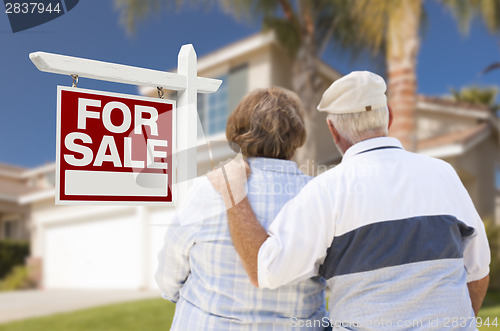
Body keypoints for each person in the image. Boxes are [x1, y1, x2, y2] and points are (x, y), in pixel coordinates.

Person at [209, 71, 491, 330]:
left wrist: (234, 194)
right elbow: (477, 274)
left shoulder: (326, 191)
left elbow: (265, 270)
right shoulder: (443, 174)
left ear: (333, 130)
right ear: (388, 116)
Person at [155, 87, 328, 330]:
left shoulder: (207, 190)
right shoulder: (320, 196)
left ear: (238, 133)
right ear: (297, 135)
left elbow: (170, 271)